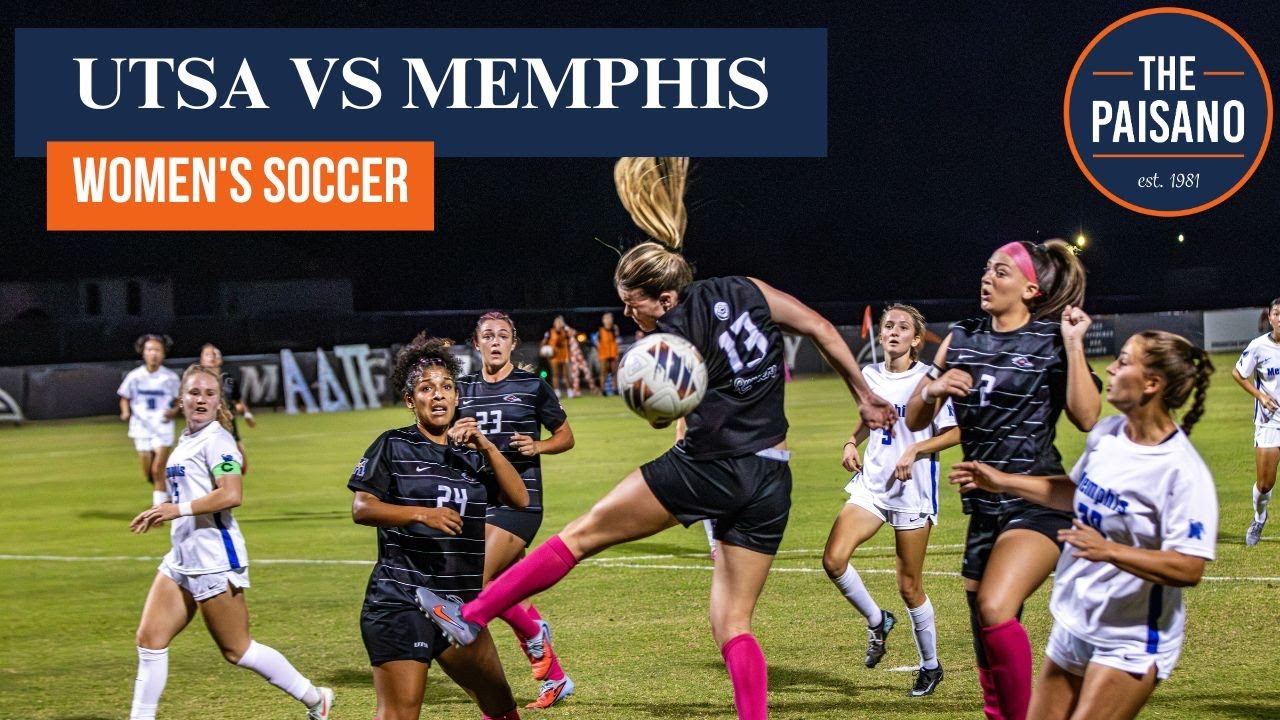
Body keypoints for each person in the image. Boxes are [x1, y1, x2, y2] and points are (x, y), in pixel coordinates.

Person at [418, 156, 897, 720]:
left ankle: (470, 614)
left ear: (664, 298)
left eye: (632, 301)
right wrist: (863, 394)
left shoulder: (670, 336)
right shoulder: (744, 289)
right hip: (771, 479)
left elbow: (655, 416)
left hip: (709, 468)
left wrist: (651, 395)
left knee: (579, 536)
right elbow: (818, 326)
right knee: (733, 624)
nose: (626, 311)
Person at [950, 331, 1217, 720]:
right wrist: (1003, 480)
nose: (1111, 367)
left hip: (1130, 639)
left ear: (1152, 383)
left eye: (1124, 361)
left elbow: (1189, 568)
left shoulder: (1180, 472)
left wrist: (1110, 551)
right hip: (1074, 620)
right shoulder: (1108, 434)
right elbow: (1074, 493)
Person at [905, 238, 1099, 720]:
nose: (987, 279)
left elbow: (1088, 416)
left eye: (1001, 272)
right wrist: (933, 389)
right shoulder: (962, 336)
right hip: (983, 509)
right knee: (984, 630)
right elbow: (912, 418)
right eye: (987, 269)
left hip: (1038, 501)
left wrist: (1074, 344)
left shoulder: (1052, 339)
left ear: (1031, 289)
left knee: (994, 604)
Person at [126, 364, 333, 720]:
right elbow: (187, 494)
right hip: (181, 556)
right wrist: (162, 508)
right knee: (150, 640)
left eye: (209, 393)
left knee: (237, 650)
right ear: (181, 399)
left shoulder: (218, 439)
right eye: (194, 393)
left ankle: (315, 698)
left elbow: (231, 494)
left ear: (219, 399)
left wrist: (177, 509)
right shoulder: (188, 438)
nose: (201, 399)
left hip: (213, 557)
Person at [349, 333, 531, 720]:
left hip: (457, 609)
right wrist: (420, 513)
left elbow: (520, 500)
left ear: (457, 397)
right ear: (410, 401)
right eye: (426, 389)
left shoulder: (471, 455)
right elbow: (362, 507)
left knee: (502, 707)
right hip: (402, 600)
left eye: (446, 387)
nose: (438, 395)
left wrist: (487, 446)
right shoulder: (393, 444)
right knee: (400, 714)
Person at [822, 303, 960, 697]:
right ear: (880, 336)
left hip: (912, 491)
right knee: (833, 559)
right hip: (872, 485)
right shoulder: (868, 375)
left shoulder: (927, 380)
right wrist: (852, 440)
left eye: (903, 327)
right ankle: (877, 620)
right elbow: (870, 416)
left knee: (909, 586)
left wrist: (916, 450)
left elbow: (954, 433)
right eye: (888, 326)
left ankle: (930, 666)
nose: (894, 332)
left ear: (916, 340)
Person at [458, 312, 578, 708]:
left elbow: (566, 436)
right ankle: (555, 678)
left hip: (520, 503)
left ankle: (533, 633)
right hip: (478, 503)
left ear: (513, 344)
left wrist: (538, 446)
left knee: (476, 579)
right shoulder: (462, 390)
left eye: (503, 336)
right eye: (487, 336)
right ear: (476, 344)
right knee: (505, 589)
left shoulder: (531, 387)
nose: (495, 341)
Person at [1233, 297, 1280, 546]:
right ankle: (1259, 518)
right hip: (1270, 421)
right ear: (1270, 318)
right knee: (1264, 484)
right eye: (1277, 313)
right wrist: (1260, 396)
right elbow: (1238, 373)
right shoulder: (1258, 347)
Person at [118, 334, 181, 507]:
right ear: (143, 353)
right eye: (149, 350)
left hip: (163, 426)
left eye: (157, 350)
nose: (153, 354)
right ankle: (167, 493)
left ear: (163, 354)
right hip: (141, 426)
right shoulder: (134, 376)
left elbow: (179, 401)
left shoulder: (170, 378)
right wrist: (125, 412)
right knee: (148, 473)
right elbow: (124, 397)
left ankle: (158, 510)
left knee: (157, 469)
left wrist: (173, 411)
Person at [199, 343, 257, 474]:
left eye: (215, 354)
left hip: (231, 431)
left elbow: (237, 400)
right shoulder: (198, 381)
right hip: (209, 435)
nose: (212, 357)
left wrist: (247, 414)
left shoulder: (228, 379)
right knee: (219, 473)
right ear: (201, 359)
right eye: (208, 354)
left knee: (242, 468)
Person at [541, 316, 571, 398]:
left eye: (560, 323)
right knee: (556, 374)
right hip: (554, 356)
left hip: (564, 356)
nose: (558, 324)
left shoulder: (565, 332)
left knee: (566, 375)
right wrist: (543, 350)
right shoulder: (550, 332)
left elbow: (570, 340)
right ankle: (557, 391)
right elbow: (544, 342)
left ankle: (569, 391)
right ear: (554, 324)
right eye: (557, 323)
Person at [596, 312, 622, 395]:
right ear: (603, 320)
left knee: (615, 372)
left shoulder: (615, 329)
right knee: (603, 373)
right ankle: (603, 390)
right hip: (604, 354)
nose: (608, 320)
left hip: (613, 354)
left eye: (610, 318)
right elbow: (597, 343)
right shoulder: (600, 331)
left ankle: (615, 389)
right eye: (606, 318)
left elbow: (617, 340)